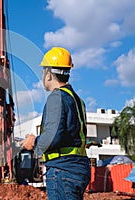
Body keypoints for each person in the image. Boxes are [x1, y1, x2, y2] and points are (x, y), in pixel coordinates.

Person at [21, 47, 91, 200]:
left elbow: (53, 137)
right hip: (77, 168)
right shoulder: (77, 100)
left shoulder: (56, 98)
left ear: (48, 73)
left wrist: (33, 142)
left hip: (62, 169)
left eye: (43, 71)